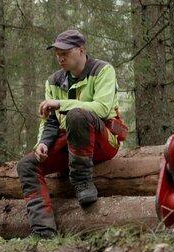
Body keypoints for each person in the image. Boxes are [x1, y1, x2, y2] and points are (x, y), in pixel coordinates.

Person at [17, 30, 128, 238]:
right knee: (27, 165)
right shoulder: (53, 81)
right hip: (70, 143)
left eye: (65, 53)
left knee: (78, 115)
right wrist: (42, 144)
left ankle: (82, 181)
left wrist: (61, 104)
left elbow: (103, 108)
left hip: (104, 142)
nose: (60, 58)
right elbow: (50, 121)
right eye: (58, 53)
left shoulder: (103, 70)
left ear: (81, 50)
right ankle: (42, 230)